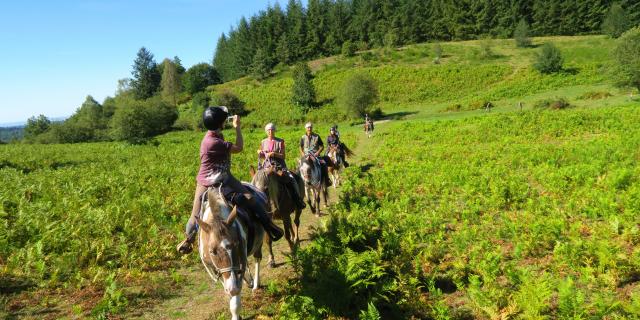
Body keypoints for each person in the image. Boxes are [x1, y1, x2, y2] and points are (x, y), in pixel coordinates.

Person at [177, 106, 283, 255]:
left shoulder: (213, 135)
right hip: (214, 180)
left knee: (249, 198)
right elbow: (239, 147)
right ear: (219, 123)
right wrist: (237, 127)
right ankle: (189, 240)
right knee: (247, 199)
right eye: (223, 119)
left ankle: (269, 226)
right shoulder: (213, 142)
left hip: (219, 175)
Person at [258, 123, 306, 210]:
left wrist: (274, 154)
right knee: (257, 181)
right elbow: (262, 156)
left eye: (272, 130)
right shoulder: (263, 142)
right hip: (266, 167)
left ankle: (298, 199)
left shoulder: (280, 141)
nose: (270, 131)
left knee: (291, 179)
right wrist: (260, 153)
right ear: (266, 131)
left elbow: (283, 156)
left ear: (274, 131)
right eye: (268, 130)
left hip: (279, 167)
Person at [299, 122, 331, 187]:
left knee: (324, 163)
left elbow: (322, 146)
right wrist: (302, 154)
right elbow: (300, 147)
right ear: (305, 129)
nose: (309, 129)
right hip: (306, 155)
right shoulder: (303, 137)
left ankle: (327, 180)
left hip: (315, 155)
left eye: (310, 127)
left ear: (312, 128)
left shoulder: (317, 136)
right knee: (299, 166)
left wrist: (317, 153)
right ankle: (300, 182)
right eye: (308, 127)